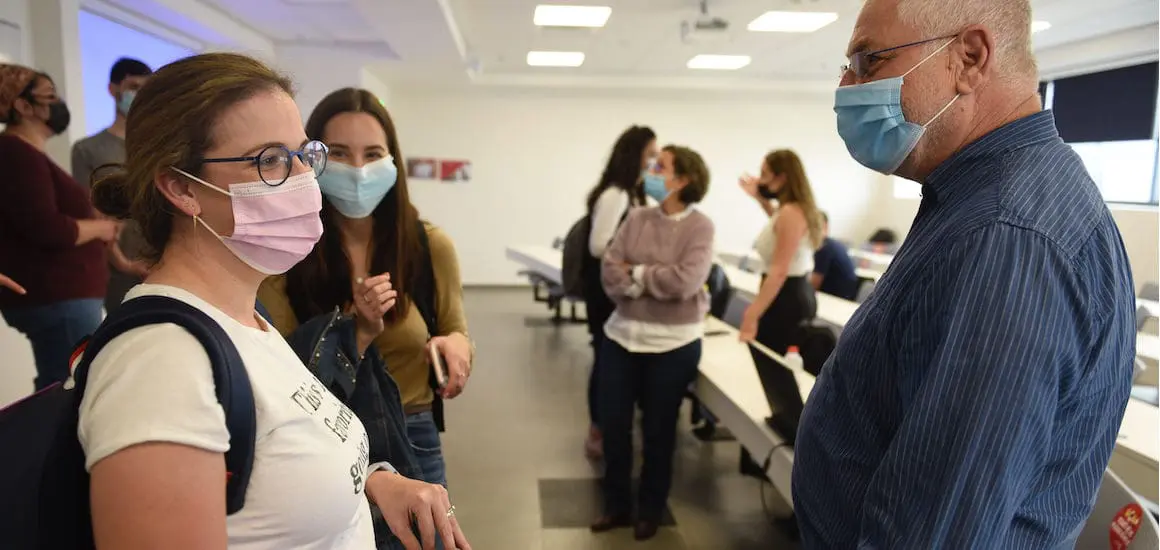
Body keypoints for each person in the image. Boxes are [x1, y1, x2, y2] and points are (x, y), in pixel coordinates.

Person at [83, 53, 468, 550]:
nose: (305, 179)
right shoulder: (160, 366)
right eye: (270, 161)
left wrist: (371, 483)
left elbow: (277, 458)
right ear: (181, 188)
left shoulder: (247, 322)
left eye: (305, 155)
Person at [793, 0, 1136, 547]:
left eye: (867, 60)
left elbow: (937, 533)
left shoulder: (1005, 237)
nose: (845, 85)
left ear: (970, 57)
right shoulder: (981, 201)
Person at [259, 88, 472, 489]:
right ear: (314, 158)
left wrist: (457, 347)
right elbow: (279, 374)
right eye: (338, 153)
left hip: (414, 432)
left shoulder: (429, 247)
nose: (358, 169)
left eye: (373, 154)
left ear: (392, 161)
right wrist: (354, 333)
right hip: (320, 439)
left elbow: (454, 328)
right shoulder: (286, 256)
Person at [591, 144, 714, 541]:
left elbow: (686, 282)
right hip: (621, 336)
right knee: (613, 425)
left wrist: (638, 275)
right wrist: (649, 277)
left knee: (659, 432)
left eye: (661, 167)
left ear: (684, 180)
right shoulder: (638, 216)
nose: (652, 171)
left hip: (673, 345)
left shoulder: (701, 227)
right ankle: (616, 505)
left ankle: (650, 509)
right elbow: (610, 269)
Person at [0, 63, 117, 391]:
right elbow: (48, 227)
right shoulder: (16, 153)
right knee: (69, 394)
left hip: (65, 300)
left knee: (66, 390)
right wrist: (101, 229)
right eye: (49, 96)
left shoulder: (29, 155)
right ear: (22, 106)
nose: (58, 103)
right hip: (58, 301)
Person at [580, 125, 657, 458]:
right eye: (650, 155)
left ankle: (609, 425)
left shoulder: (635, 193)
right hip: (606, 293)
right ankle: (598, 428)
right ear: (635, 155)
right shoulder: (617, 194)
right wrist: (634, 259)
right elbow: (598, 246)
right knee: (604, 359)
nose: (653, 163)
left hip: (617, 290)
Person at [71, 57, 153, 313]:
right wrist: (124, 263)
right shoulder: (88, 150)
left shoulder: (156, 147)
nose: (138, 94)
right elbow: (94, 215)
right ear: (113, 88)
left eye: (145, 88)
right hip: (119, 270)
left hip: (164, 260)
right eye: (133, 86)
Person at [738, 149, 824, 353]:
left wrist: (751, 315)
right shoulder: (790, 210)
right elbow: (777, 226)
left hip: (787, 299)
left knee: (772, 365)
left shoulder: (790, 212)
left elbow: (779, 271)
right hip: (789, 294)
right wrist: (760, 199)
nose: (760, 180)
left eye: (765, 174)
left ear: (782, 178)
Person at [810, 212, 859, 301]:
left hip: (836, 299)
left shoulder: (824, 247)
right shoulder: (833, 244)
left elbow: (814, 285)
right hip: (843, 296)